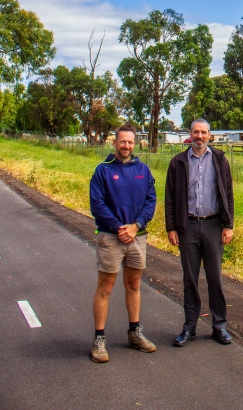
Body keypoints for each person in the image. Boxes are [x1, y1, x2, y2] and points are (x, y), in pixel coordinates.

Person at [89, 123, 157, 363]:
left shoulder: (143, 170)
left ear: (135, 144)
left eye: (130, 141)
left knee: (134, 285)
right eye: (122, 141)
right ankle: (99, 339)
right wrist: (120, 227)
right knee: (105, 287)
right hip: (111, 237)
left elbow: (151, 201)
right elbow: (97, 205)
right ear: (114, 143)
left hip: (137, 237)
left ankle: (134, 332)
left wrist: (135, 226)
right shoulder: (102, 170)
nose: (126, 145)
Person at [165, 118, 234, 346]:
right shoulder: (178, 162)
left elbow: (228, 194)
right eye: (196, 132)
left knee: (214, 278)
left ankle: (219, 325)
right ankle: (189, 327)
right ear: (189, 134)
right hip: (189, 227)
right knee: (190, 280)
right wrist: (172, 227)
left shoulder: (219, 160)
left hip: (214, 225)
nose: (200, 136)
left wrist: (228, 224)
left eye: (204, 132)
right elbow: (170, 198)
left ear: (209, 135)